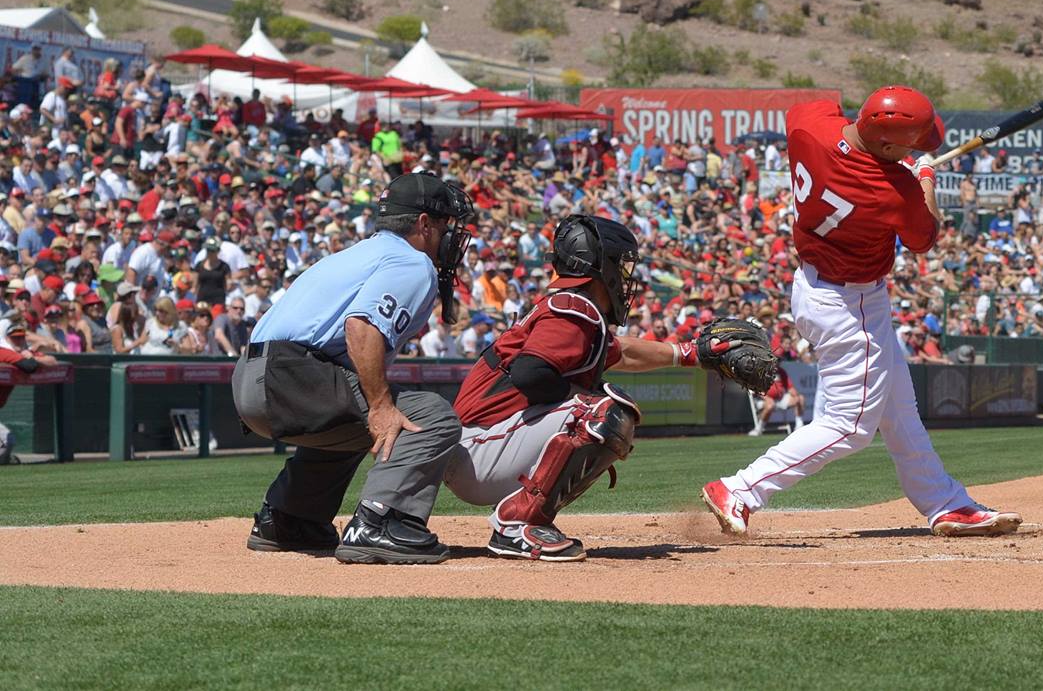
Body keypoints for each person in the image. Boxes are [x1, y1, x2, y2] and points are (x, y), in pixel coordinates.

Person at [701, 86, 1020, 539]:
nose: (916, 150)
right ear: (888, 145)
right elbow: (925, 237)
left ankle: (946, 503)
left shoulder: (809, 126)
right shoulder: (895, 191)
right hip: (848, 304)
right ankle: (741, 488)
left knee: (898, 410)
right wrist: (924, 176)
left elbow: (818, 111)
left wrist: (902, 166)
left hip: (818, 284)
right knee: (850, 426)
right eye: (909, 144)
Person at [445, 214, 742, 561]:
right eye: (621, 265)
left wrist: (691, 354)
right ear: (600, 265)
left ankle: (522, 519)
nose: (626, 276)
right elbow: (530, 374)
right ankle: (518, 523)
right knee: (604, 410)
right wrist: (579, 397)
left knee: (597, 403)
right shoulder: (574, 308)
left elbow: (624, 351)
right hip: (479, 449)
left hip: (477, 449)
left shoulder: (574, 311)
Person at [229, 173, 471, 564]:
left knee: (352, 423)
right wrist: (380, 405)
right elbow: (362, 326)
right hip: (289, 375)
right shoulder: (411, 261)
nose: (450, 236)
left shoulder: (359, 253)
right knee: (429, 416)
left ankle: (291, 519)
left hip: (251, 378)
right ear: (424, 224)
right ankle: (381, 522)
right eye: (445, 225)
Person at [0, 318, 47, 464]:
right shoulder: (5, 352)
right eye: (15, 338)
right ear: (6, 338)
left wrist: (32, 355)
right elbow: (30, 366)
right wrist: (32, 356)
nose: (18, 340)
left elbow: (51, 360)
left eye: (21, 337)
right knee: (6, 440)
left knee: (7, 442)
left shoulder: (18, 353)